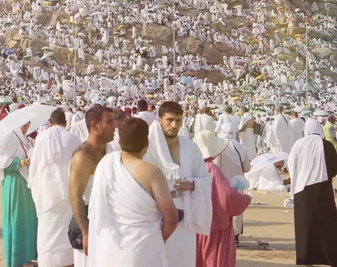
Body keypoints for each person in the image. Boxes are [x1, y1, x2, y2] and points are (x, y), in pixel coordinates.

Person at [88, 118, 178, 266]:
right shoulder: (152, 173)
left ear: (119, 143)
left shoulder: (105, 164)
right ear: (147, 144)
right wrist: (158, 239)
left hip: (109, 247)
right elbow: (172, 219)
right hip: (142, 249)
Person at [145, 101, 213, 267]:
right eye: (169, 120)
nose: (174, 125)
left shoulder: (191, 148)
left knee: (182, 260)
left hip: (184, 213)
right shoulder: (148, 148)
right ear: (159, 120)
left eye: (178, 121)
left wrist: (191, 184)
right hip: (155, 214)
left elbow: (206, 179)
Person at [288, 118, 337, 266]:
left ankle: (306, 259)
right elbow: (335, 166)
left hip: (302, 190)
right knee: (327, 224)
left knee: (305, 226)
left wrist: (294, 185)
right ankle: (331, 257)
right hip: (323, 189)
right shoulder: (327, 145)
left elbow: (292, 165)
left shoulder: (299, 144)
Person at [28, 108, 81, 267]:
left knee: (47, 228)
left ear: (50, 123)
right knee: (66, 226)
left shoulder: (41, 138)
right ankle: (68, 261)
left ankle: (48, 262)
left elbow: (35, 164)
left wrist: (32, 183)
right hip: (68, 189)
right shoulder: (73, 138)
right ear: (65, 123)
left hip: (46, 191)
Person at [194, 130, 251, 267]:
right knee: (214, 258)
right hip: (216, 226)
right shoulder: (212, 169)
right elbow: (226, 197)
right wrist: (244, 199)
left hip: (199, 223)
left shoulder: (194, 168)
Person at [69, 106, 115, 267]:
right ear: (94, 126)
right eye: (109, 122)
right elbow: (75, 195)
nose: (114, 126)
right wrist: (85, 231)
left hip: (110, 223)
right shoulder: (83, 156)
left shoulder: (111, 150)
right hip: (90, 221)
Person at [0, 121, 38, 267]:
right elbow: (2, 162)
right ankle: (15, 258)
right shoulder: (10, 138)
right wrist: (21, 162)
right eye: (23, 126)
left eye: (27, 126)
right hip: (14, 182)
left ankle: (26, 256)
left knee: (27, 219)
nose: (25, 129)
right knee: (16, 219)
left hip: (25, 183)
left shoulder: (24, 139)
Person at [212, 123, 251, 245]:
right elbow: (247, 167)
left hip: (221, 183)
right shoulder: (240, 147)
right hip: (238, 183)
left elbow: (215, 166)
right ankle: (235, 236)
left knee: (221, 207)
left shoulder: (218, 146)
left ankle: (222, 236)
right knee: (236, 209)